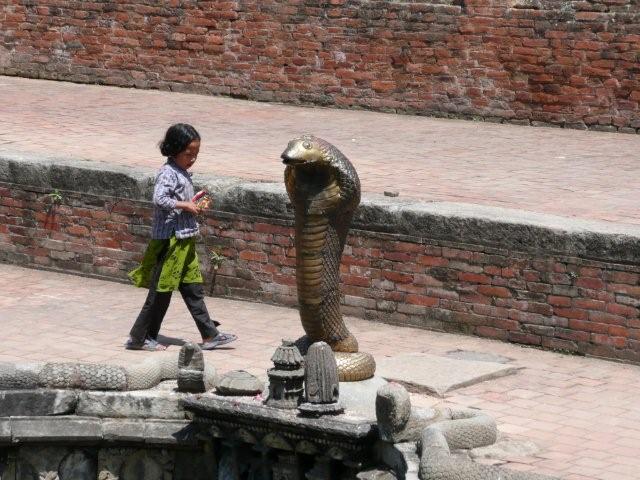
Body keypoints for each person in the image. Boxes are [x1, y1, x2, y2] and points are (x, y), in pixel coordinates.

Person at [125, 123, 237, 351]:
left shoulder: (181, 172)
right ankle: (141, 337)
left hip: (185, 240)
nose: (193, 158)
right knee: (161, 292)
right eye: (188, 154)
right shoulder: (167, 173)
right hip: (171, 241)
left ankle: (210, 335)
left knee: (193, 289)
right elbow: (159, 199)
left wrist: (192, 202)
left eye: (196, 154)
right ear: (174, 150)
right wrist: (185, 204)